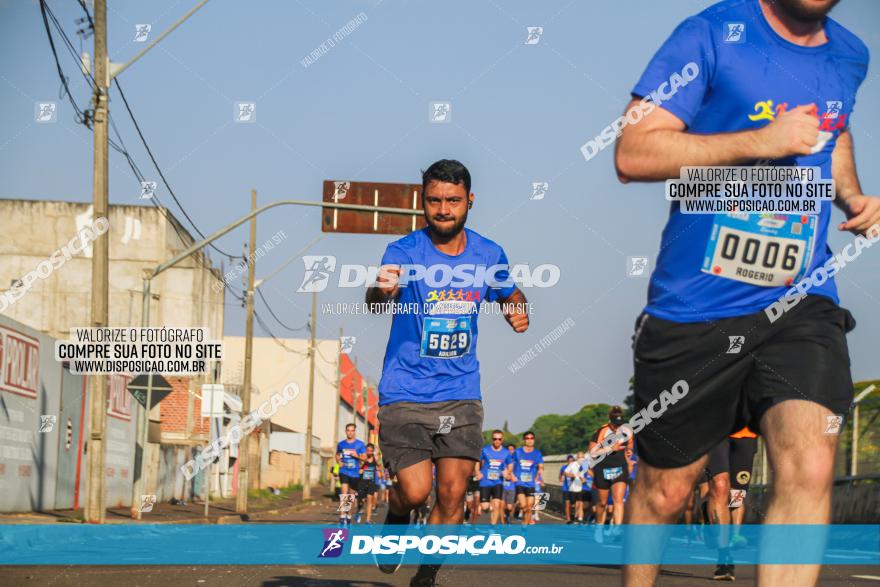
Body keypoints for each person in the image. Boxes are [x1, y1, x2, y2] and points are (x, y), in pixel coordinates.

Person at [616, 1, 877, 584]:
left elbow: (831, 132)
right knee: (666, 488)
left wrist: (852, 196)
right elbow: (634, 152)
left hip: (800, 299)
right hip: (695, 307)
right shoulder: (709, 34)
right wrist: (763, 140)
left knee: (810, 462)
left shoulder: (850, 55)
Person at [367, 159, 530, 586]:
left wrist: (517, 310)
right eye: (435, 200)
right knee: (417, 491)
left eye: (453, 201)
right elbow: (376, 297)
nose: (443, 209)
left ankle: (426, 576)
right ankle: (397, 513)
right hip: (404, 391)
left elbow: (509, 291)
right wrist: (382, 289)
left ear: (469, 202)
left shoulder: (488, 253)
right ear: (423, 201)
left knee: (453, 493)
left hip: (460, 391)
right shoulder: (403, 251)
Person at [705, 427, 760, 580]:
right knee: (720, 486)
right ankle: (724, 557)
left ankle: (734, 536)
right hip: (715, 429)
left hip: (746, 432)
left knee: (737, 494)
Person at [589, 407, 634, 542]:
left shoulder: (627, 432)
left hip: (619, 468)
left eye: (619, 424)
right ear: (610, 421)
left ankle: (617, 528)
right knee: (602, 503)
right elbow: (592, 452)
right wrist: (610, 448)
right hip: (602, 469)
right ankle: (599, 527)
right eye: (615, 424)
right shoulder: (601, 431)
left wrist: (629, 453)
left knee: (618, 501)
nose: (617, 428)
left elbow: (629, 447)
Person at [477, 430, 514, 525]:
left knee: (497, 505)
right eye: (495, 439)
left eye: (499, 439)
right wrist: (477, 472)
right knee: (485, 507)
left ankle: (492, 527)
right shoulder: (485, 450)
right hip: (485, 481)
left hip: (498, 482)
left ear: (502, 440)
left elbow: (510, 464)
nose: (497, 441)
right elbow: (477, 461)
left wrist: (508, 473)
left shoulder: (506, 452)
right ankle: (486, 506)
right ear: (492, 439)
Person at [508, 431, 544, 527]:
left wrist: (540, 470)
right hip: (519, 482)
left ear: (534, 440)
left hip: (531, 483)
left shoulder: (537, 453)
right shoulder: (518, 452)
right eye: (527, 438)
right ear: (524, 440)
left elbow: (540, 465)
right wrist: (511, 475)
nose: (529, 440)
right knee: (523, 506)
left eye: (531, 438)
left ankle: (524, 527)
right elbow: (509, 463)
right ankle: (517, 510)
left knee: (529, 507)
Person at [335, 423, 366, 527]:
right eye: (348, 430)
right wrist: (338, 461)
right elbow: (337, 454)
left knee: (351, 496)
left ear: (354, 432)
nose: (350, 432)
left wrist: (356, 456)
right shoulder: (341, 444)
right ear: (345, 431)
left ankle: (349, 516)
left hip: (355, 473)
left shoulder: (360, 444)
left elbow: (364, 458)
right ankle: (342, 517)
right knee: (344, 494)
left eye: (352, 430)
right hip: (344, 471)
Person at [359, 444, 380, 524]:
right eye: (368, 450)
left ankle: (368, 520)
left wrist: (378, 467)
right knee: (362, 500)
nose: (369, 452)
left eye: (371, 451)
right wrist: (363, 466)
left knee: (369, 500)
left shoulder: (375, 458)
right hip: (363, 482)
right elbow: (360, 468)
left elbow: (379, 466)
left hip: (371, 482)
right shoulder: (363, 457)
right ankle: (360, 507)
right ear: (366, 450)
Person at [563, 454, 584, 524]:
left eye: (582, 457)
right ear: (577, 458)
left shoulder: (585, 465)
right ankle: (573, 516)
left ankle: (577, 518)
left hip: (580, 488)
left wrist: (584, 479)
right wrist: (572, 475)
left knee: (579, 503)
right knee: (573, 505)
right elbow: (565, 472)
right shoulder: (572, 464)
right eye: (580, 457)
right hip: (572, 488)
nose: (581, 459)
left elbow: (587, 473)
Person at [502, 443, 517, 523]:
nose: (510, 451)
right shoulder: (503, 460)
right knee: (502, 504)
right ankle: (505, 518)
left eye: (512, 449)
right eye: (509, 449)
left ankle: (508, 515)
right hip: (502, 485)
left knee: (510, 506)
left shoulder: (516, 461)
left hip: (512, 486)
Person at [560, 454, 576, 524]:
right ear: (567, 461)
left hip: (574, 489)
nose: (570, 462)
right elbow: (560, 477)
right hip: (566, 488)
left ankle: (573, 516)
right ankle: (568, 518)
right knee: (567, 504)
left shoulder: (576, 468)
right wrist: (562, 478)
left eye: (572, 461)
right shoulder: (564, 468)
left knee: (573, 505)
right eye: (569, 461)